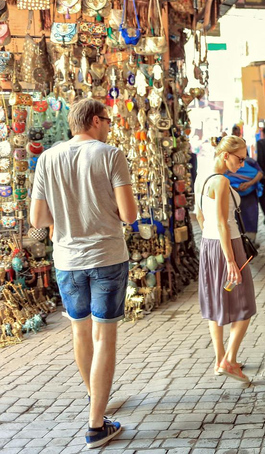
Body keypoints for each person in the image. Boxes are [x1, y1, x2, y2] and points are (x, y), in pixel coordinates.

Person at [29, 98, 138, 449]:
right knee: (105, 337)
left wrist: (68, 217)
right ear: (94, 120)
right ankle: (95, 425)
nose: (109, 126)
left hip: (67, 260)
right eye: (106, 120)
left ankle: (97, 401)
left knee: (80, 333)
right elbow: (129, 214)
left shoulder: (47, 158)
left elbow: (38, 220)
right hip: (106, 255)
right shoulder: (110, 155)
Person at [195, 135, 256, 384]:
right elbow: (222, 222)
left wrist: (212, 244)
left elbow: (200, 216)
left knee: (216, 302)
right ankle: (229, 360)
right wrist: (230, 259)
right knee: (245, 304)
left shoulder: (203, 177)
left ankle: (220, 358)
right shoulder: (220, 181)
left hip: (209, 245)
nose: (242, 164)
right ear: (225, 155)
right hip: (227, 245)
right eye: (239, 159)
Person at [225, 154, 264, 247]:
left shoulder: (249, 161)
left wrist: (248, 183)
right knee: (237, 218)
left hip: (247, 194)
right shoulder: (227, 162)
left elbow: (260, 173)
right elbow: (224, 176)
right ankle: (242, 243)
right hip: (235, 193)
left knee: (250, 216)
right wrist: (237, 186)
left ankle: (249, 243)